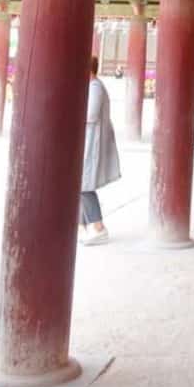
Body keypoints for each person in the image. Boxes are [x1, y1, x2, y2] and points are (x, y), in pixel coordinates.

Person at [79, 55, 121, 246]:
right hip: (87, 140)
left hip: (91, 141)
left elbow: (90, 115)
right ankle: (83, 226)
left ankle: (98, 227)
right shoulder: (92, 86)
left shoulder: (95, 88)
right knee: (79, 186)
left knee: (85, 185)